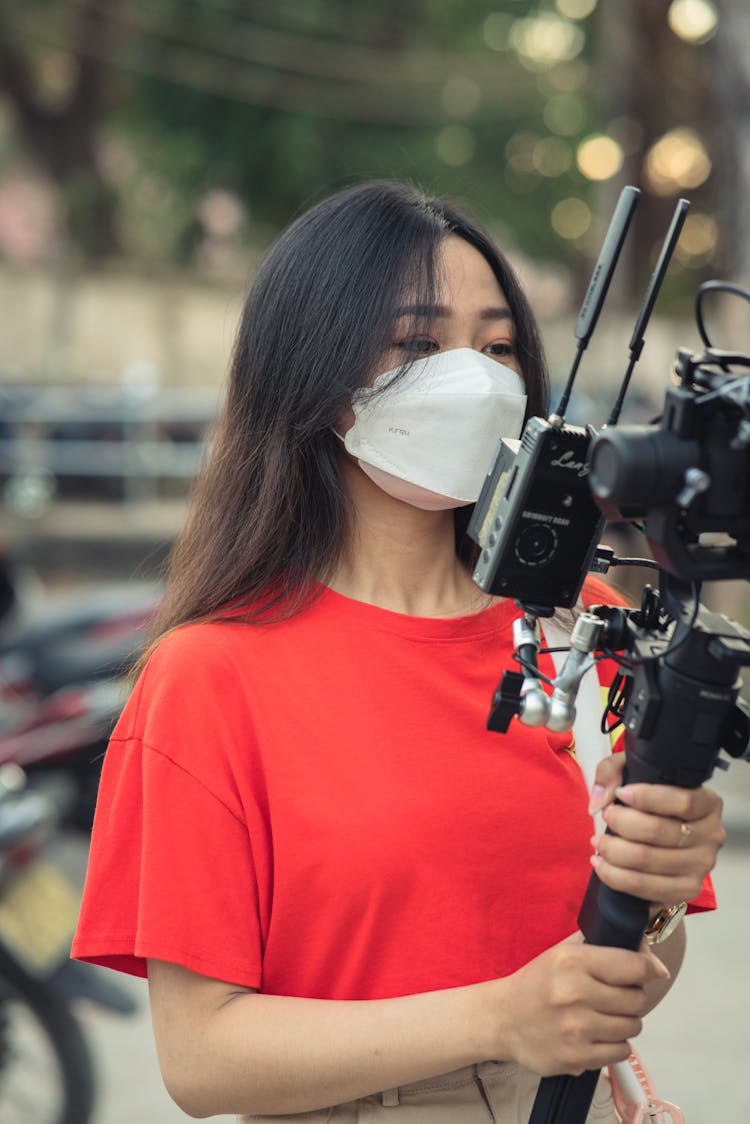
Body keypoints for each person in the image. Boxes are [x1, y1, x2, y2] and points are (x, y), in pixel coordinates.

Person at [72, 181, 724, 1123]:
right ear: (314, 376)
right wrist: (498, 1018)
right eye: (418, 343)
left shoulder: (587, 624)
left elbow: (632, 973)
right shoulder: (210, 677)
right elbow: (201, 1058)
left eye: (499, 346)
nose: (476, 376)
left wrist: (655, 896)